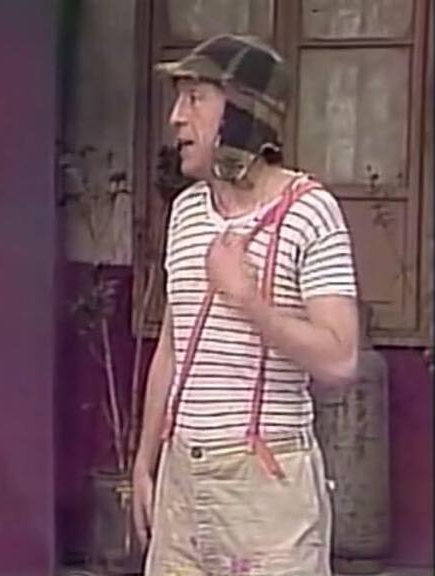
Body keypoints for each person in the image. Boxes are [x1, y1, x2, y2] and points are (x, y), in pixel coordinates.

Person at [131, 34, 359, 575]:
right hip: (182, 480)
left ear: (241, 116)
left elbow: (341, 359)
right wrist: (145, 462)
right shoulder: (187, 212)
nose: (176, 118)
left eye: (195, 99)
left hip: (266, 489)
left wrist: (246, 298)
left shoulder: (310, 212)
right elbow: (172, 346)